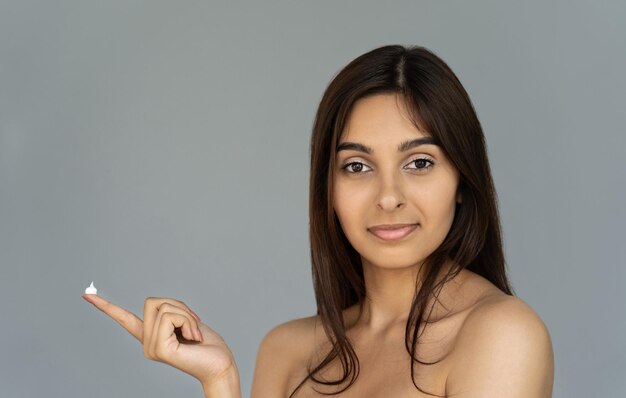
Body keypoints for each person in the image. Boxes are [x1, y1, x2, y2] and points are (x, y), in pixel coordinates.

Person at [82, 44, 555, 397]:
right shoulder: (287, 351)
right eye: (356, 166)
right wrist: (220, 380)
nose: (388, 197)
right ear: (327, 190)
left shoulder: (502, 335)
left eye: (419, 163)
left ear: (463, 181)